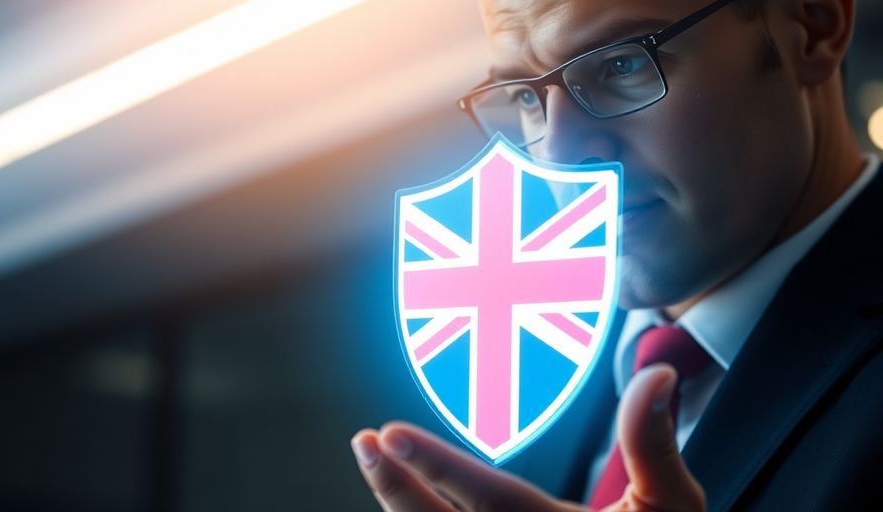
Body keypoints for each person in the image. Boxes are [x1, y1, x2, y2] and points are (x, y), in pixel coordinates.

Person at [351, 0, 883, 510]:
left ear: (814, 26)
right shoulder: (528, 377)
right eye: (527, 99)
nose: (558, 154)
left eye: (621, 64)